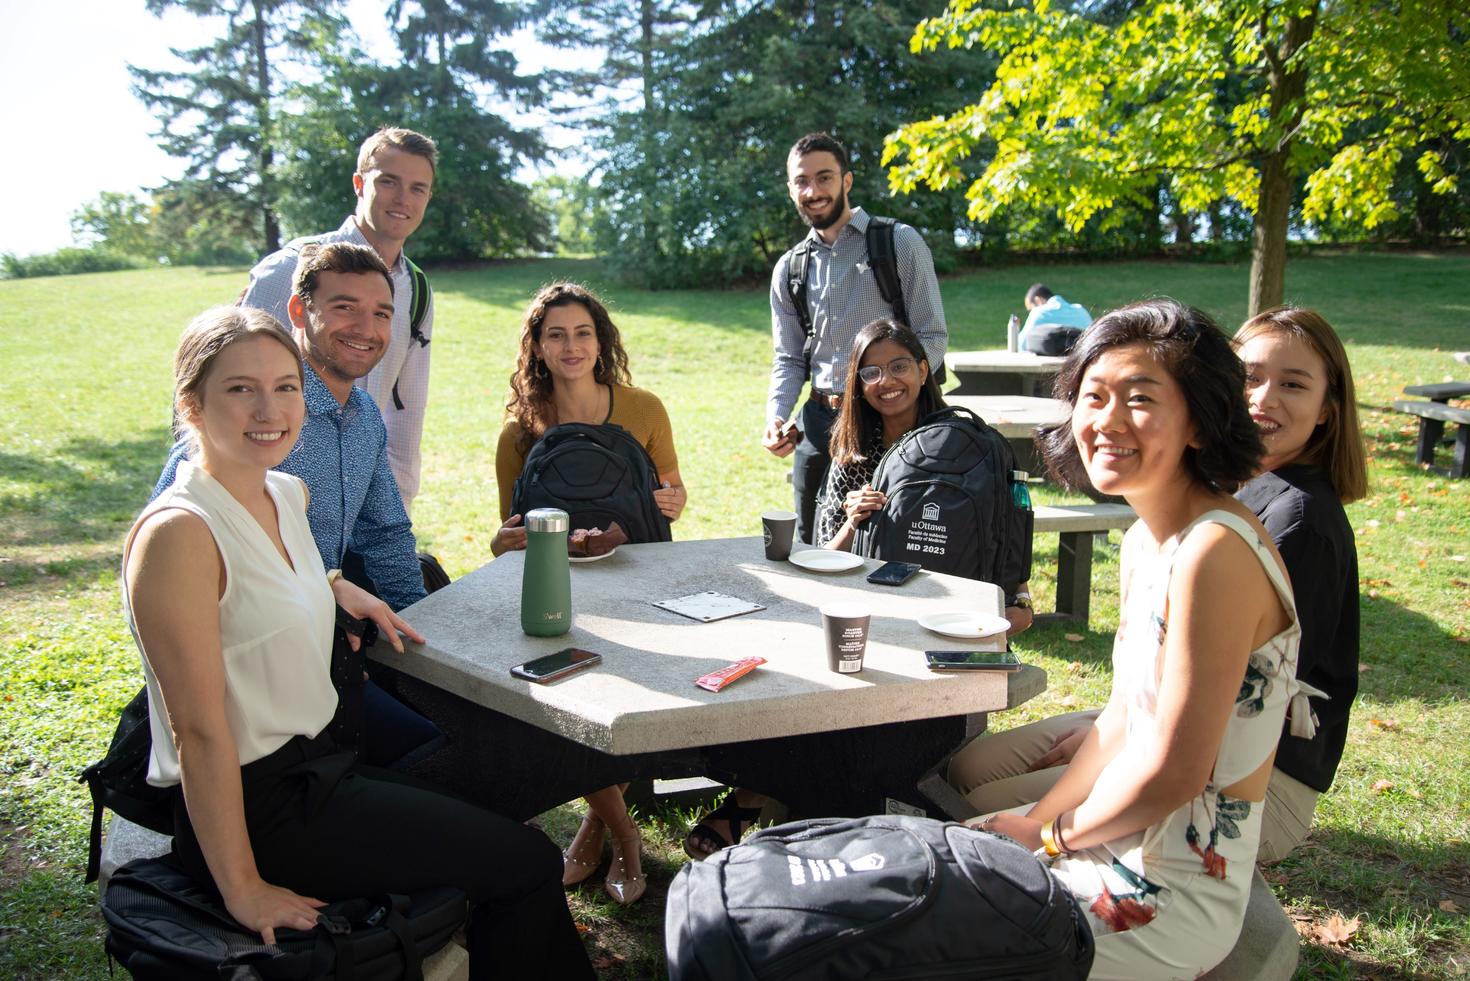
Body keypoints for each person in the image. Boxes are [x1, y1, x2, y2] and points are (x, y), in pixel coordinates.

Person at [125, 306, 593, 979]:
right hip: (265, 808)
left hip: (327, 763)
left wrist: (337, 583)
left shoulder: (282, 491)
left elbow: (272, 575)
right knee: (525, 863)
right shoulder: (178, 535)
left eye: (286, 386)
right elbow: (197, 731)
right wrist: (242, 884)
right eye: (240, 388)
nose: (271, 407)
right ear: (192, 403)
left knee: (497, 797)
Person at [966, 299, 1314, 977]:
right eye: (1093, 396)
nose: (1108, 420)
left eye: (1140, 398)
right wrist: (1034, 821)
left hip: (1174, 890)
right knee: (938, 866)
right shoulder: (1143, 542)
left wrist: (1049, 835)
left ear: (1198, 420)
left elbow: (1177, 772)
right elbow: (1123, 721)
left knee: (957, 944)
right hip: (1115, 840)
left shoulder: (1215, 549)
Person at [154, 242, 440, 770]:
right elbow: (175, 526)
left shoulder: (364, 419)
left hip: (325, 635)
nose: (366, 327)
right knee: (422, 752)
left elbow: (384, 533)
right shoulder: (263, 414)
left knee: (439, 734)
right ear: (298, 311)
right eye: (344, 307)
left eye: (381, 313)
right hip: (250, 667)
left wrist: (424, 634)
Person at [491, 282, 687, 905]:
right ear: (538, 348)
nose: (571, 346)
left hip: (641, 577)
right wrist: (503, 543)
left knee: (637, 706)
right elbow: (506, 536)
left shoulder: (644, 407)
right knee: (575, 710)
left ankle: (595, 825)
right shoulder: (518, 434)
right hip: (560, 590)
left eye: (582, 333)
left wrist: (674, 499)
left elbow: (671, 499)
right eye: (556, 335)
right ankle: (626, 835)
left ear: (601, 341)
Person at [762, 132, 948, 545]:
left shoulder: (898, 242)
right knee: (811, 546)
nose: (813, 190)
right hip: (820, 421)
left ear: (847, 181)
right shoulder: (789, 268)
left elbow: (932, 337)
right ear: (791, 188)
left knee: (885, 540)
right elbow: (790, 359)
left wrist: (894, 393)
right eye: (802, 181)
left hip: (889, 419)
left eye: (824, 177)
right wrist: (776, 416)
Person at [241, 126, 437, 514]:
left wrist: (394, 510)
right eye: (389, 182)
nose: (403, 199)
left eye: (418, 188)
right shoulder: (288, 269)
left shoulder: (417, 290)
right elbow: (225, 386)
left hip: (359, 493)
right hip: (273, 493)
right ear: (359, 184)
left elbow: (406, 411)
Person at [816, 317, 1033, 636]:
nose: (886, 381)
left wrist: (1023, 603)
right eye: (871, 373)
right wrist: (853, 523)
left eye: (898, 367)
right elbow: (822, 566)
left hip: (961, 616)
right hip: (879, 616)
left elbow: (1004, 528)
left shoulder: (968, 446)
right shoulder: (853, 454)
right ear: (859, 384)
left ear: (922, 369)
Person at [1019, 283, 1092, 354]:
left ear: (1038, 300)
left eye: (1030, 309)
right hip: (1081, 359)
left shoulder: (1038, 312)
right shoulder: (1081, 310)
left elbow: (1021, 344)